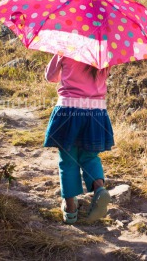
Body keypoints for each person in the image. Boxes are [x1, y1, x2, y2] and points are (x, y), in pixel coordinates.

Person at [43, 54, 114, 224]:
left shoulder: (66, 49)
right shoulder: (104, 52)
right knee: (90, 156)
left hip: (69, 109)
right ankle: (99, 190)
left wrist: (59, 57)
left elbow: (50, 77)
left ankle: (70, 209)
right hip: (96, 111)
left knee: (67, 161)